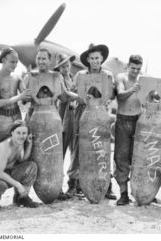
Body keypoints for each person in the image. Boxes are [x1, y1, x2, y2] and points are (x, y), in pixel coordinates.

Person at [24, 48, 78, 200]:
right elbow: (23, 98)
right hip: (34, 117)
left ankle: (55, 189)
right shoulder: (30, 77)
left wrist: (79, 97)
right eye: (39, 58)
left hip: (52, 118)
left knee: (53, 154)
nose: (41, 61)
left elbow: (65, 96)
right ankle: (23, 194)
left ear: (50, 61)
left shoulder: (57, 77)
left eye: (44, 59)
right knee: (32, 156)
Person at [66, 44, 116, 200]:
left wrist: (104, 97)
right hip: (83, 111)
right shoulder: (80, 74)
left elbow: (112, 94)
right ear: (87, 59)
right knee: (78, 146)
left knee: (102, 148)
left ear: (101, 59)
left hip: (100, 112)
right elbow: (73, 93)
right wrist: (79, 96)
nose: (95, 61)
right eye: (92, 58)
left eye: (97, 58)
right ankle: (73, 183)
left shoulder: (107, 75)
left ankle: (106, 185)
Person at [0, 120, 38, 212]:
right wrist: (18, 185)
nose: (21, 136)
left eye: (24, 133)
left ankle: (22, 198)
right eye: (18, 133)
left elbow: (22, 159)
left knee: (31, 166)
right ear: (12, 133)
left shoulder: (19, 142)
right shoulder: (5, 147)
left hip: (9, 172)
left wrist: (29, 144)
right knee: (0, 185)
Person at [0, 47, 32, 156]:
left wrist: (30, 79)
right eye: (12, 61)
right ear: (3, 60)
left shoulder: (17, 78)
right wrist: (19, 97)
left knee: (15, 151)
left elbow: (26, 98)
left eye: (17, 62)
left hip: (16, 118)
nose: (15, 64)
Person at [113, 55, 143, 205]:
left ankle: (138, 192)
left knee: (137, 157)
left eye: (138, 69)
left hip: (139, 120)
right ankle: (123, 193)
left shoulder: (143, 79)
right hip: (123, 120)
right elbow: (120, 95)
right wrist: (133, 89)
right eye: (133, 68)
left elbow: (157, 95)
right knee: (121, 157)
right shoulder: (121, 77)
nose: (135, 71)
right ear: (128, 66)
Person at [53, 53, 76, 162]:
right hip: (63, 111)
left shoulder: (72, 77)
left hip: (73, 112)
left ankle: (73, 174)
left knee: (74, 143)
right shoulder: (58, 77)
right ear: (59, 68)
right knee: (62, 141)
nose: (66, 69)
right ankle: (58, 169)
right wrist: (76, 95)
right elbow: (63, 97)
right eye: (63, 66)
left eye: (67, 65)